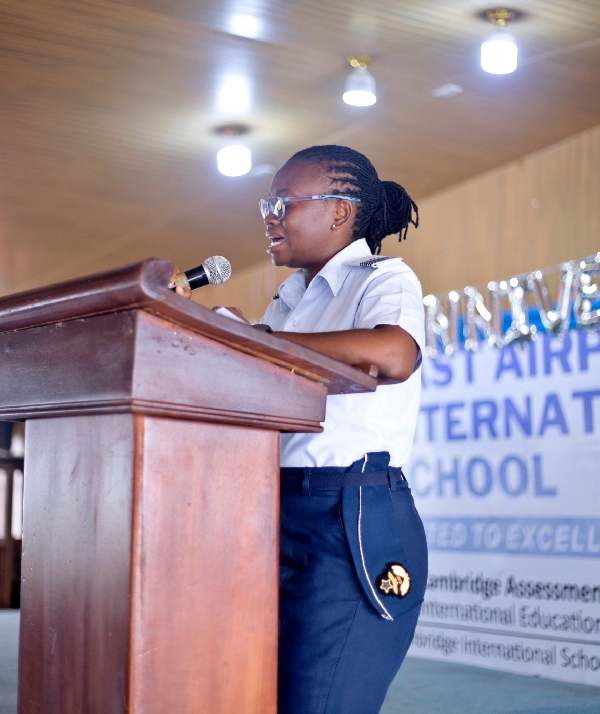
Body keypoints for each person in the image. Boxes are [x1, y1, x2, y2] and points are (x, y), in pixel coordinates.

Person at [175, 144, 427, 714]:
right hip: (274, 516)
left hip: (349, 517)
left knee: (319, 702)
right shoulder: (290, 300)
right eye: (267, 203)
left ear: (340, 211)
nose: (269, 215)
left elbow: (394, 354)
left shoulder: (383, 278)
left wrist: (258, 341)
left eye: (282, 202)